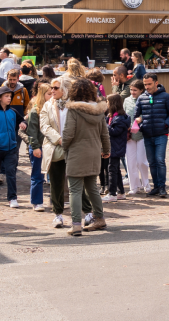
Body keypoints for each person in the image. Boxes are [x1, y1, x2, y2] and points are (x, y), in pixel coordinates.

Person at [62, 78, 110, 236]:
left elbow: (68, 134)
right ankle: (99, 218)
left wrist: (64, 147)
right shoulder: (99, 110)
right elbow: (105, 133)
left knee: (75, 189)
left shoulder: (73, 110)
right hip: (94, 152)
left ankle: (76, 224)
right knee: (92, 188)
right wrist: (107, 149)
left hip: (77, 152)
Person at [134, 72, 169, 198]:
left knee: (160, 160)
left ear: (156, 83)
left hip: (161, 134)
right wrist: (141, 126)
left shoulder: (165, 96)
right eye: (145, 84)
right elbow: (136, 116)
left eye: (149, 84)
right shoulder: (141, 98)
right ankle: (156, 187)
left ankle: (162, 186)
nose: (147, 87)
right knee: (152, 162)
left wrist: (165, 124)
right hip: (147, 134)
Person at [0, 86, 26, 207]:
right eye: (7, 96)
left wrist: (23, 123)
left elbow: (23, 120)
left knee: (11, 173)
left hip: (11, 148)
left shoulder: (13, 112)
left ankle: (12, 198)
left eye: (10, 96)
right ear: (0, 98)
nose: (9, 98)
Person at [40, 76, 70, 228]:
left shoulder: (73, 105)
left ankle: (87, 212)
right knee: (56, 182)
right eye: (51, 88)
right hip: (55, 147)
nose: (52, 90)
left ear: (64, 89)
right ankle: (58, 214)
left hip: (73, 147)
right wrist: (59, 139)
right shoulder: (47, 105)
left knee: (79, 182)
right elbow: (44, 126)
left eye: (56, 88)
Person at [19, 82, 53, 211]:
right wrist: (35, 147)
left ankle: (56, 200)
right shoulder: (34, 111)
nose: (51, 96)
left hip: (50, 146)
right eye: (49, 94)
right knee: (38, 175)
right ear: (43, 95)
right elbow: (32, 131)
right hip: (38, 146)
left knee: (53, 175)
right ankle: (37, 201)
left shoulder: (53, 109)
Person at [123, 80, 151, 195]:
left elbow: (149, 113)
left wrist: (141, 118)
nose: (132, 92)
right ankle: (134, 186)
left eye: (135, 90)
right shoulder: (127, 100)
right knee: (130, 161)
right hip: (129, 134)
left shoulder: (146, 99)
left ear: (141, 90)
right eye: (131, 90)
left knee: (141, 161)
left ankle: (146, 183)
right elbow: (124, 114)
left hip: (141, 134)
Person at [102, 93, 130, 202]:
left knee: (111, 170)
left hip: (116, 147)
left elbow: (114, 132)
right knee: (116, 170)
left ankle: (112, 193)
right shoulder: (113, 117)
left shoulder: (120, 118)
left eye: (108, 102)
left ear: (113, 104)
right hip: (114, 146)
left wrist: (104, 125)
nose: (106, 104)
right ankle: (121, 192)